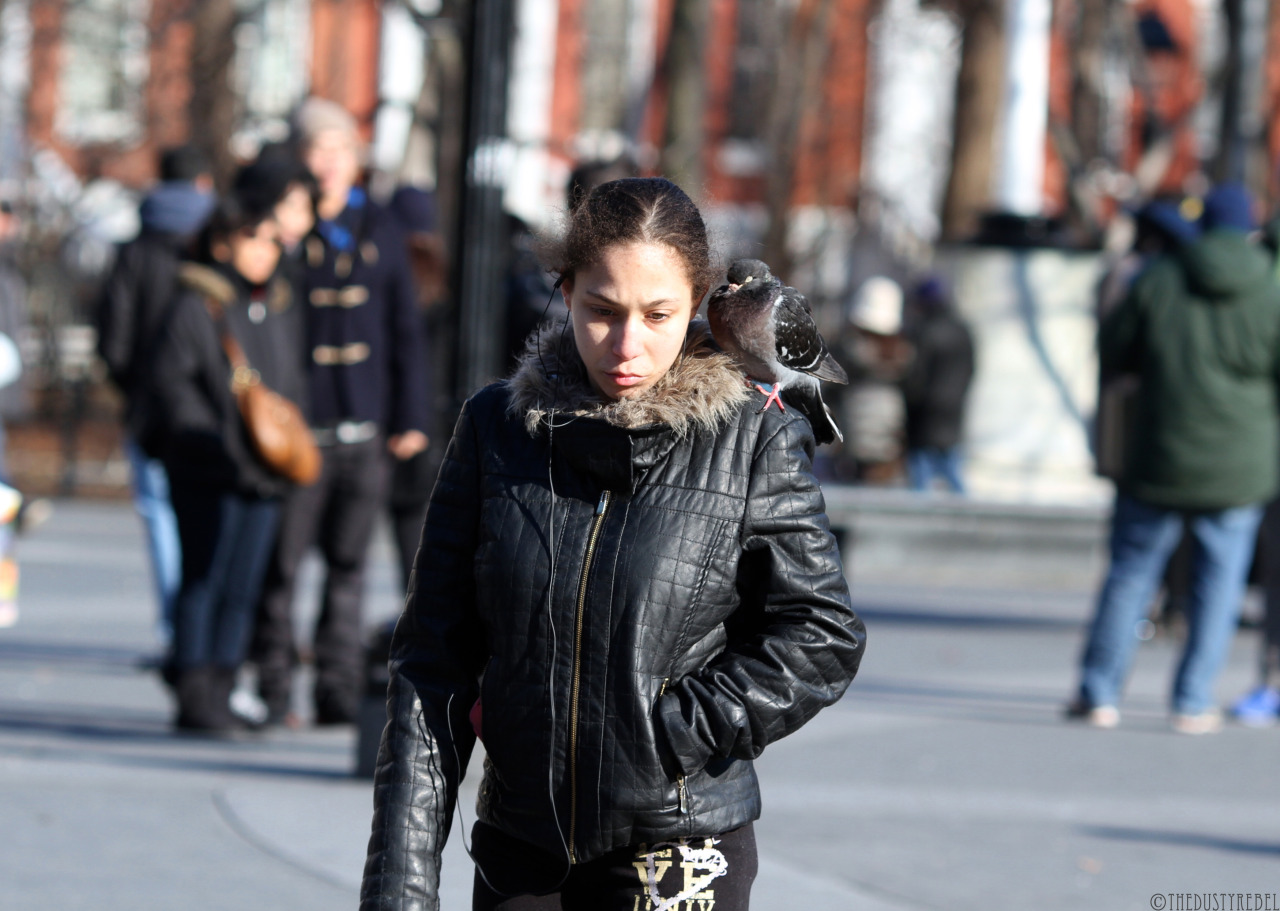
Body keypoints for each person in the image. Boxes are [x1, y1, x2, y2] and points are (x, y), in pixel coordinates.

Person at [361, 177, 865, 910]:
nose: (628, 344)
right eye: (601, 311)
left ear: (700, 304)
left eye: (659, 314)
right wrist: (398, 888)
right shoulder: (496, 429)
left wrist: (676, 732)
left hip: (677, 849)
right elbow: (431, 668)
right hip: (520, 849)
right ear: (564, 292)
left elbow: (821, 631)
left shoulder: (753, 436)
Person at [1068, 182, 1280, 735]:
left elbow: (1115, 351)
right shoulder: (1271, 286)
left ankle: (1099, 693)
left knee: (1131, 573)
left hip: (1158, 452)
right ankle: (1192, 700)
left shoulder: (1159, 279)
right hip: (1242, 462)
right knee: (1219, 582)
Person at [252, 97, 430, 727]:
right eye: (315, 151)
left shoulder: (377, 226)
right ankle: (274, 689)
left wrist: (411, 416)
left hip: (366, 426)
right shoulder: (283, 231)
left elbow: (404, 326)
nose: (328, 163)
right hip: (299, 431)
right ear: (298, 159)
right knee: (282, 567)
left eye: (339, 150)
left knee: (349, 568)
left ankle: (335, 690)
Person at [152, 176, 307, 734]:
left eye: (272, 239)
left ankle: (222, 687)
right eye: (252, 236)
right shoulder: (196, 307)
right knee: (204, 579)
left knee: (244, 587)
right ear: (222, 242)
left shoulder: (277, 306)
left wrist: (288, 445)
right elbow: (173, 388)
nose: (264, 248)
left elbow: (291, 385)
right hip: (208, 469)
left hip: (264, 474)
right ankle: (195, 693)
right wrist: (211, 439)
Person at [95, 145, 215, 647]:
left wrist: (136, 388)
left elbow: (112, 338)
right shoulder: (216, 241)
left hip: (147, 407)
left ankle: (175, 626)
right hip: (209, 403)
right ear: (203, 183)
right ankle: (204, 630)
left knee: (160, 512)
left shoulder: (134, 249)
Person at [901, 276, 974, 493]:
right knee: (952, 470)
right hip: (953, 410)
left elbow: (916, 377)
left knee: (921, 476)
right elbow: (971, 370)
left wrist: (909, 401)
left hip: (925, 415)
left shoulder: (925, 331)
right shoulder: (962, 330)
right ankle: (970, 520)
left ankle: (921, 523)